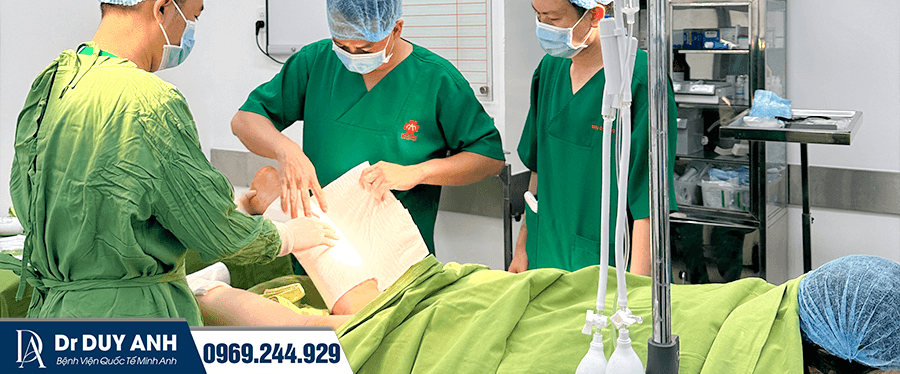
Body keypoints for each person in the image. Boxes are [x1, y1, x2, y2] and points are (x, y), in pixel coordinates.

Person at [0, 0, 337, 324]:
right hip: (133, 319)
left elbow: (29, 196)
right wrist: (287, 237)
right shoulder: (149, 100)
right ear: (162, 7)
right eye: (193, 16)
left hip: (56, 314)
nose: (189, 32)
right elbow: (216, 228)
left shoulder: (54, 80)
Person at [191, 249, 900, 374]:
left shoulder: (759, 300)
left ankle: (210, 296)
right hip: (487, 325)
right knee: (335, 342)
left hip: (492, 300)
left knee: (354, 324)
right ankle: (202, 303)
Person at [231, 0, 505, 256]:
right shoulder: (315, 62)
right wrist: (285, 150)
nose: (352, 56)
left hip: (397, 255)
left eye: (364, 49)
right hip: (320, 250)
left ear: (396, 29)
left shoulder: (436, 80)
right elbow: (245, 120)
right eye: (342, 45)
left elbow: (488, 158)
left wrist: (416, 173)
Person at [510, 0, 678, 276]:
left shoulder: (640, 80)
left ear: (595, 15)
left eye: (553, 19)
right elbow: (538, 171)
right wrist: (522, 249)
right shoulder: (550, 69)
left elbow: (648, 203)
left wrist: (637, 290)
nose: (543, 26)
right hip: (545, 253)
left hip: (608, 266)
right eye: (538, 15)